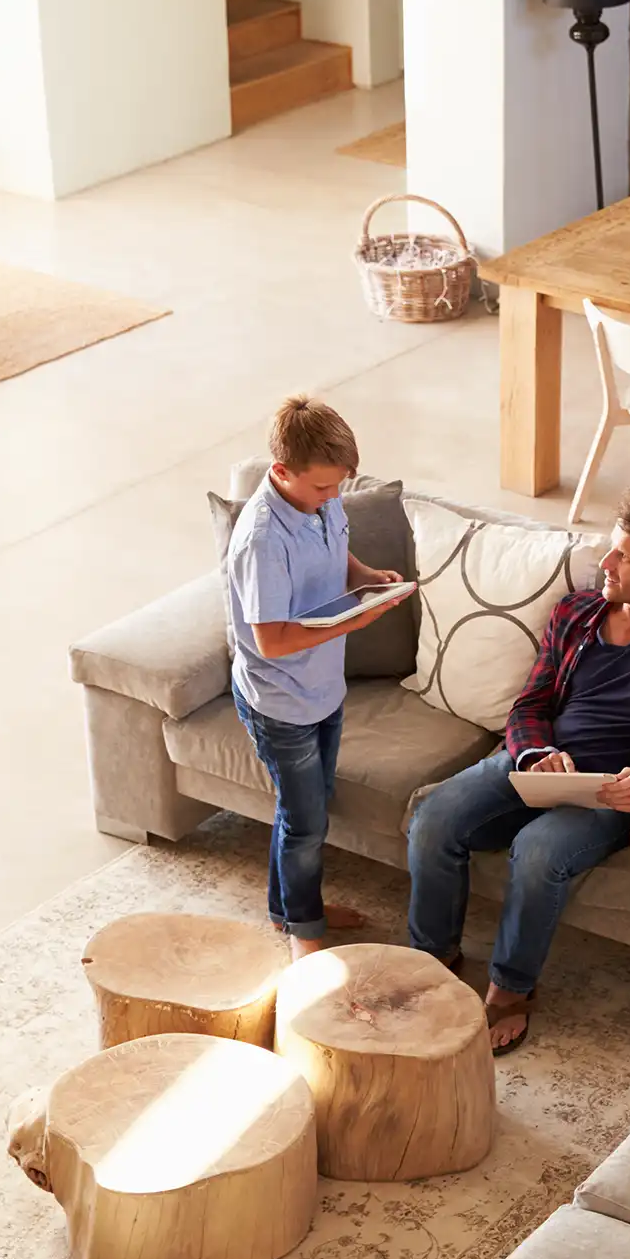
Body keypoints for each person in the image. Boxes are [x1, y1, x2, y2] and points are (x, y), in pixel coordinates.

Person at [406, 488, 630, 1054]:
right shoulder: (576, 613)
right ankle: (433, 958)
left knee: (538, 851)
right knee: (433, 817)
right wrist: (534, 753)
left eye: (624, 556)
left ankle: (510, 990)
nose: (607, 563)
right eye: (611, 548)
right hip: (538, 765)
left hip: (609, 791)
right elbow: (530, 705)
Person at [226, 397, 409, 959]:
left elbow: (336, 545)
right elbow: (271, 641)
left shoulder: (321, 502)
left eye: (338, 487)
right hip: (281, 701)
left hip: (323, 688)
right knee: (304, 823)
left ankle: (290, 910)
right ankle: (305, 935)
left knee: (308, 809)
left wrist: (365, 576)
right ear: (282, 472)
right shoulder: (263, 541)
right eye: (324, 487)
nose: (333, 497)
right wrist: (359, 618)